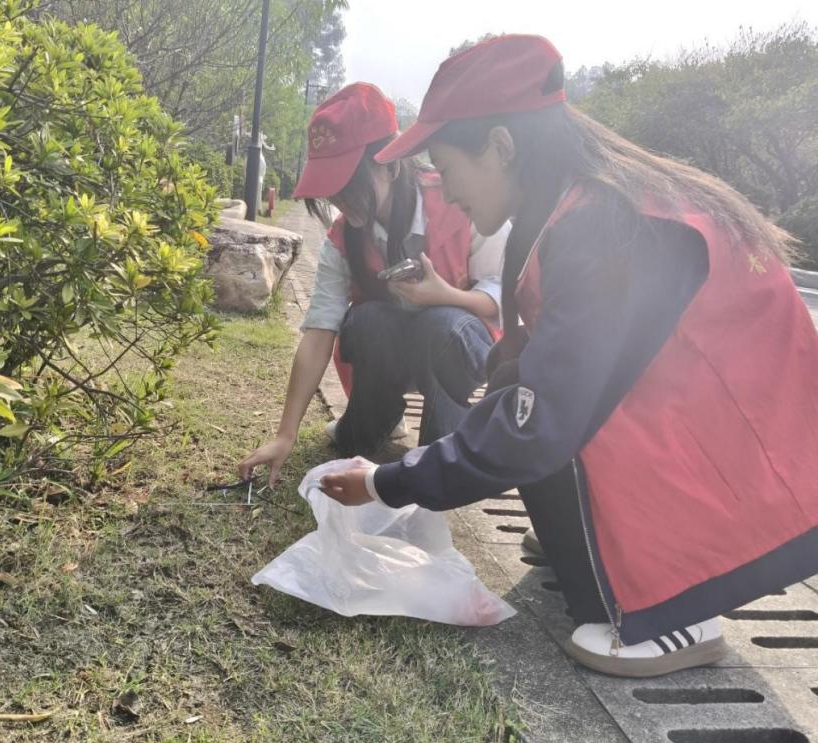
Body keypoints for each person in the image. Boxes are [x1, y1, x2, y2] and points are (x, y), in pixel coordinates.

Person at [318, 35, 818, 677]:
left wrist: (386, 483)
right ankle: (602, 541)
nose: (446, 187)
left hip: (755, 452)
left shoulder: (602, 227)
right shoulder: (572, 204)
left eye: (446, 164)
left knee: (531, 419)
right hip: (713, 421)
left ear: (501, 147)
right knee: (517, 388)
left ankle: (677, 610)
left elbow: (539, 424)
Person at [238, 83, 510, 486]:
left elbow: (504, 296)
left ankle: (443, 458)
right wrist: (285, 435)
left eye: (348, 182)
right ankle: (373, 423)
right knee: (366, 321)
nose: (339, 198)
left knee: (442, 324)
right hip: (396, 346)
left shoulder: (458, 198)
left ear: (391, 165)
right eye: (331, 186)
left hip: (457, 343)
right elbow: (319, 332)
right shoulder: (343, 237)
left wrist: (444, 295)